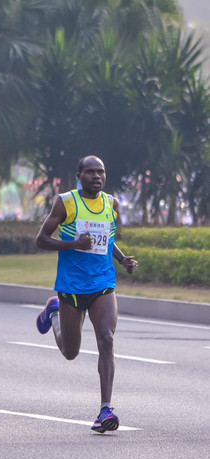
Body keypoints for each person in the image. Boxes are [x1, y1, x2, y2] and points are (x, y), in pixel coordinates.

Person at [35, 155, 138, 433]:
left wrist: (122, 259)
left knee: (106, 338)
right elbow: (41, 239)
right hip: (71, 286)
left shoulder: (111, 203)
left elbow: (107, 239)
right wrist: (74, 243)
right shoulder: (66, 202)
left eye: (101, 172)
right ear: (79, 175)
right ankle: (54, 312)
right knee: (70, 351)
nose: (97, 176)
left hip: (103, 284)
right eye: (90, 172)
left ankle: (105, 409)